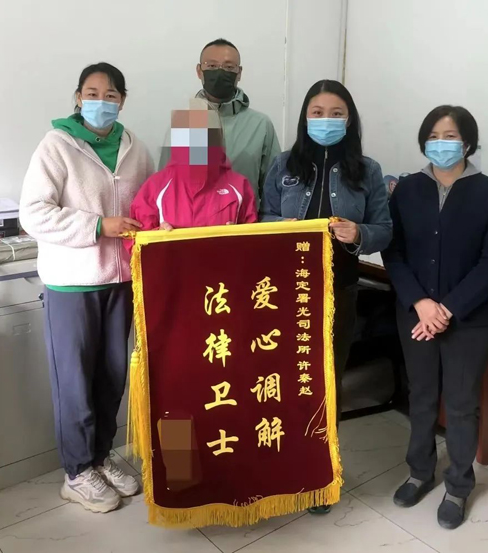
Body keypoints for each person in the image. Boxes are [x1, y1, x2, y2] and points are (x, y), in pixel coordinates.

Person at [20, 62, 154, 514]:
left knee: (111, 377)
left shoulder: (135, 148)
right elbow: (33, 213)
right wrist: (98, 225)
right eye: (92, 93)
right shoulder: (57, 145)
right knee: (75, 381)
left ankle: (99, 457)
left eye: (111, 94)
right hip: (72, 282)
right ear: (78, 97)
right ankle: (76, 472)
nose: (101, 101)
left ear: (123, 100)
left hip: (122, 281)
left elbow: (148, 205)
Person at [261, 79, 392, 513]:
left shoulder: (367, 170)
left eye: (336, 113)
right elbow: (262, 216)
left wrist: (359, 233)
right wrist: (280, 227)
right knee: (286, 380)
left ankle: (319, 471)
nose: (326, 120)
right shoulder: (284, 164)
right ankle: (282, 464)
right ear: (305, 117)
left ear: (349, 119)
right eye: (317, 112)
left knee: (326, 381)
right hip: (287, 292)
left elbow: (384, 230)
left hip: (340, 290)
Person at [382, 106, 488, 530]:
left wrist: (448, 308)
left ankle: (457, 486)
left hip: (470, 320)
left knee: (460, 403)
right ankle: (420, 472)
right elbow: (393, 252)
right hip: (415, 314)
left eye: (450, 135)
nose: (441, 143)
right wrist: (421, 303)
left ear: (467, 142)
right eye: (434, 136)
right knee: (420, 396)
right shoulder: (407, 190)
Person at [159, 38, 280, 203]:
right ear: (199, 71)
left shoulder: (261, 125)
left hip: (246, 218)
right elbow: (165, 187)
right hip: (194, 218)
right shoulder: (184, 122)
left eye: (229, 67)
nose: (220, 72)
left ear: (239, 73)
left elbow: (274, 189)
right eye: (212, 66)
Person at [131, 100, 257, 232]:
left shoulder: (239, 186)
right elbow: (136, 238)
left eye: (206, 132)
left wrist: (238, 237)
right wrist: (158, 235)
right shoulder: (155, 187)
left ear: (217, 137)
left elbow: (255, 238)